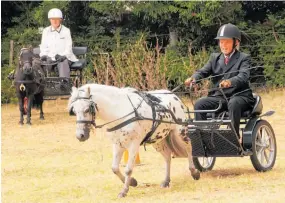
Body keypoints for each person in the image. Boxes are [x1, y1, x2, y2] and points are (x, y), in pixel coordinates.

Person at [185, 23, 255, 138]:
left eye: (227, 42)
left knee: (233, 103)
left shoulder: (244, 58)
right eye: (221, 42)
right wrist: (193, 78)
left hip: (239, 96)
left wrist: (230, 81)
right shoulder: (214, 58)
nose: (223, 45)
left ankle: (234, 137)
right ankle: (202, 138)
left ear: (236, 42)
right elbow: (203, 71)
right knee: (199, 104)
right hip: (220, 97)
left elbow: (243, 76)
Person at [39, 8, 78, 77]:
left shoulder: (66, 30)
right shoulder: (46, 31)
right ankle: (44, 85)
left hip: (63, 57)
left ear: (60, 19)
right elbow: (43, 46)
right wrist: (44, 55)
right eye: (52, 19)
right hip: (50, 57)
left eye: (57, 19)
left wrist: (63, 55)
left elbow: (68, 47)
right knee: (42, 65)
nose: (55, 21)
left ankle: (64, 84)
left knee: (63, 63)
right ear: (50, 20)